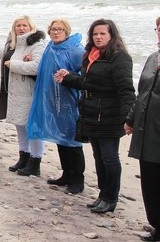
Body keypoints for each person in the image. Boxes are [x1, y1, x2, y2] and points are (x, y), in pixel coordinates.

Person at [55, 18, 135, 214]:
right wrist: (67, 79)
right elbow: (87, 82)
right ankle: (102, 195)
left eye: (103, 34)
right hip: (91, 113)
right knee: (98, 157)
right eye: (95, 34)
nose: (98, 37)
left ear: (112, 35)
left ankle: (110, 198)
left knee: (110, 158)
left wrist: (129, 118)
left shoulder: (119, 57)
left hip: (110, 115)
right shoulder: (91, 55)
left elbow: (126, 90)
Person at [0, 15, 45, 175]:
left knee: (33, 128)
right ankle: (24, 156)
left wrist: (14, 65)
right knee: (19, 124)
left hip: (29, 93)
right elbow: (1, 52)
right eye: (18, 26)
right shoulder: (14, 44)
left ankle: (35, 162)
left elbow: (38, 67)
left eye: (24, 25)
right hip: (14, 92)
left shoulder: (37, 44)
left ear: (31, 27)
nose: (21, 28)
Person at [26, 19, 86, 194]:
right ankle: (67, 174)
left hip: (70, 103)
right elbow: (44, 72)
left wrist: (69, 76)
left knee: (73, 142)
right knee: (61, 139)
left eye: (59, 29)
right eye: (53, 29)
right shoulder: (50, 48)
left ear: (66, 31)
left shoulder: (76, 50)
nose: (56, 32)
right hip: (53, 101)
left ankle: (78, 180)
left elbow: (85, 76)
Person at [124, 17, 160, 241]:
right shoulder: (152, 58)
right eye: (159, 28)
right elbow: (142, 93)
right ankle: (156, 225)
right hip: (147, 130)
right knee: (150, 180)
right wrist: (130, 119)